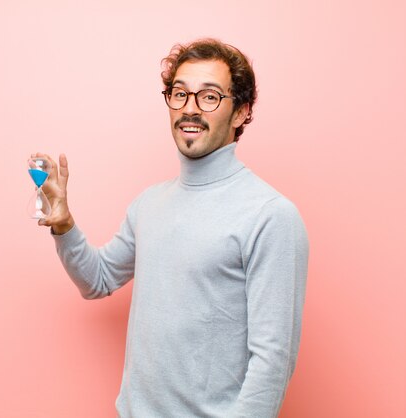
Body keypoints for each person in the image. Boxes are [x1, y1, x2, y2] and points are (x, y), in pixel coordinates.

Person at [32, 38, 309, 418]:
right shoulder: (149, 204)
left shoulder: (270, 215)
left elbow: (273, 361)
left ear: (241, 112)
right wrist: (63, 224)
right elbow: (97, 280)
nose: (190, 109)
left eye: (209, 97)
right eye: (180, 94)